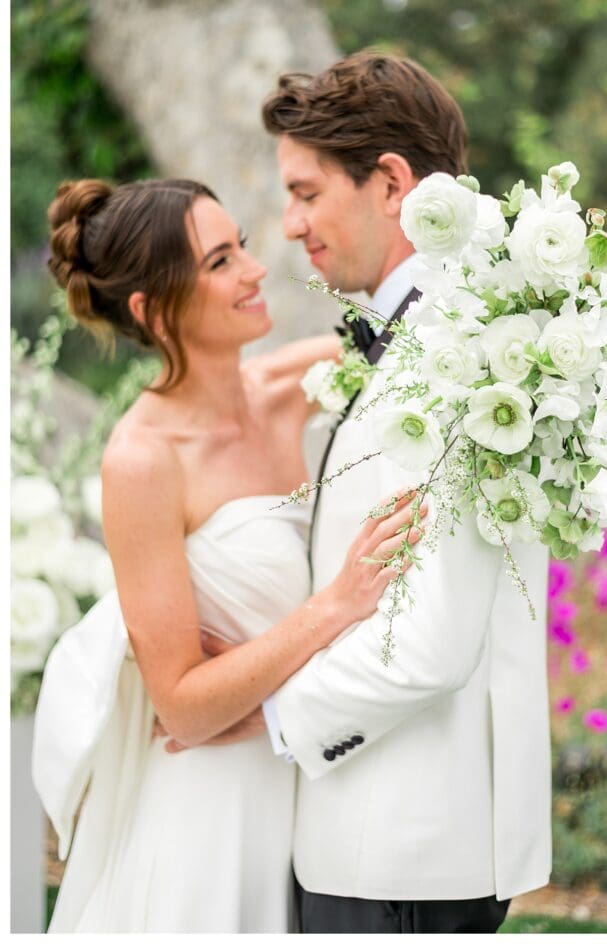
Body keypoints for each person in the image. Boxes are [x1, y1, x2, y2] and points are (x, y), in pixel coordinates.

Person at [31, 176, 424, 933]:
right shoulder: (143, 460)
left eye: (239, 246)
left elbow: (421, 336)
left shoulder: (295, 382)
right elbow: (181, 704)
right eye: (219, 263)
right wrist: (336, 605)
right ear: (152, 309)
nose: (255, 269)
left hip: (303, 794)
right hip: (203, 812)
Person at [253, 51, 552, 933]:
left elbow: (428, 643)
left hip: (400, 845)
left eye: (306, 194)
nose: (289, 226)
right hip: (392, 838)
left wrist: (264, 715)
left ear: (389, 182)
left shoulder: (460, 356)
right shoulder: (440, 332)